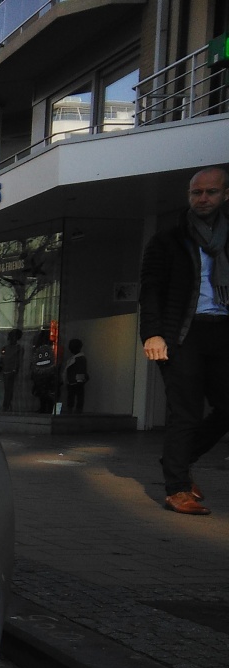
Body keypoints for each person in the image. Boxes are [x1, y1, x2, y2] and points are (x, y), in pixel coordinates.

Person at [140, 166, 229, 515]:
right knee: (185, 412)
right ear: (189, 196)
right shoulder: (169, 239)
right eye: (197, 193)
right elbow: (150, 290)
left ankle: (182, 459)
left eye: (211, 192)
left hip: (223, 330)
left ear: (225, 195)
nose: (203, 198)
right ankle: (177, 488)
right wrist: (153, 333)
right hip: (182, 334)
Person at [29, 329, 58, 414]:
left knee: (45, 393)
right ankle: (45, 408)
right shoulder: (44, 350)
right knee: (43, 392)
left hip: (46, 375)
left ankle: (47, 408)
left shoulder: (47, 350)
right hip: (43, 374)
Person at [0, 329, 23, 412]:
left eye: (13, 337)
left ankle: (7, 406)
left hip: (13, 372)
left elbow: (19, 361)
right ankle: (6, 406)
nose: (12, 339)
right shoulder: (5, 348)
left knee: (10, 390)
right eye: (11, 337)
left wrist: (16, 370)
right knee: (7, 390)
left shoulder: (19, 348)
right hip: (6, 372)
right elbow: (2, 360)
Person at [62, 338, 88, 413]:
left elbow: (81, 371)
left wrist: (79, 381)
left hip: (75, 381)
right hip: (72, 381)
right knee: (73, 397)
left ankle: (76, 410)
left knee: (76, 396)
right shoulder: (76, 358)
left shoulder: (79, 359)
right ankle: (73, 410)